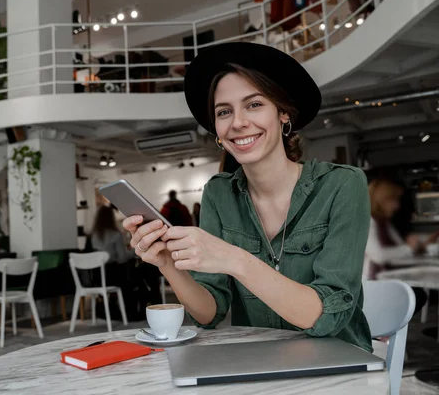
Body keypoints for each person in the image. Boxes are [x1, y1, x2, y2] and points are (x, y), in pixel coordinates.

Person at [123, 42, 373, 352]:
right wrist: (168, 265)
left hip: (338, 362)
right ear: (216, 129)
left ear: (283, 113)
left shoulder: (342, 185)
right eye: (224, 111)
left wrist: (234, 259)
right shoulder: (218, 193)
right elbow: (209, 313)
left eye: (254, 104)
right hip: (260, 362)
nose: (238, 122)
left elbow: (327, 317)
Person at [363, 178, 439, 313]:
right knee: (417, 296)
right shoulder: (367, 222)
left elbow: (400, 249)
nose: (397, 205)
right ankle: (385, 327)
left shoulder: (384, 223)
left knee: (418, 295)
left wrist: (419, 246)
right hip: (373, 286)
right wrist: (410, 248)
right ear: (381, 200)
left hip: (389, 280)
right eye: (394, 200)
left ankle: (389, 328)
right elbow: (379, 256)